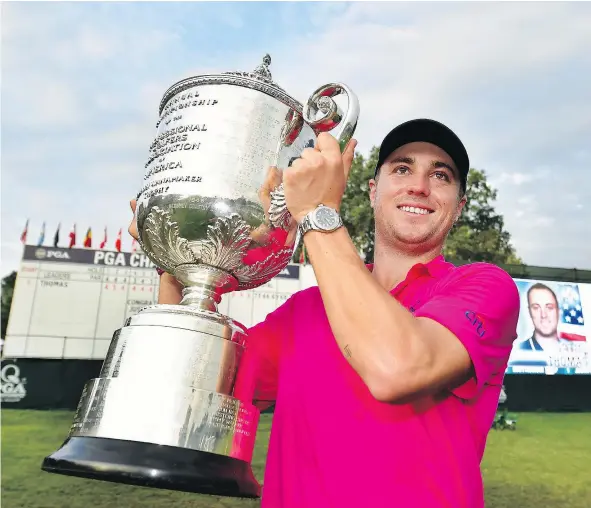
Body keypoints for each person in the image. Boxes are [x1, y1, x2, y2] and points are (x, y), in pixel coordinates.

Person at [129, 119, 520, 508]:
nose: (419, 185)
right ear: (372, 191)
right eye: (402, 168)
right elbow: (193, 395)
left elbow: (398, 368)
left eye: (441, 176)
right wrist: (182, 265)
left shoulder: (485, 288)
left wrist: (316, 212)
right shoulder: (303, 312)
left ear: (459, 206)